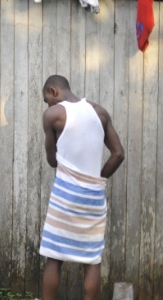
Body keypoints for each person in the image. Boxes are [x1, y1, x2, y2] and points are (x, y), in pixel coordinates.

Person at [40, 75, 124, 300]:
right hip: (93, 196)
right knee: (92, 259)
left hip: (65, 194)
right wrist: (97, 178)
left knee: (54, 257)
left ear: (53, 91)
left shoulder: (53, 115)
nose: (47, 104)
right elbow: (118, 154)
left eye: (47, 98)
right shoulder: (100, 112)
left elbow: (52, 160)